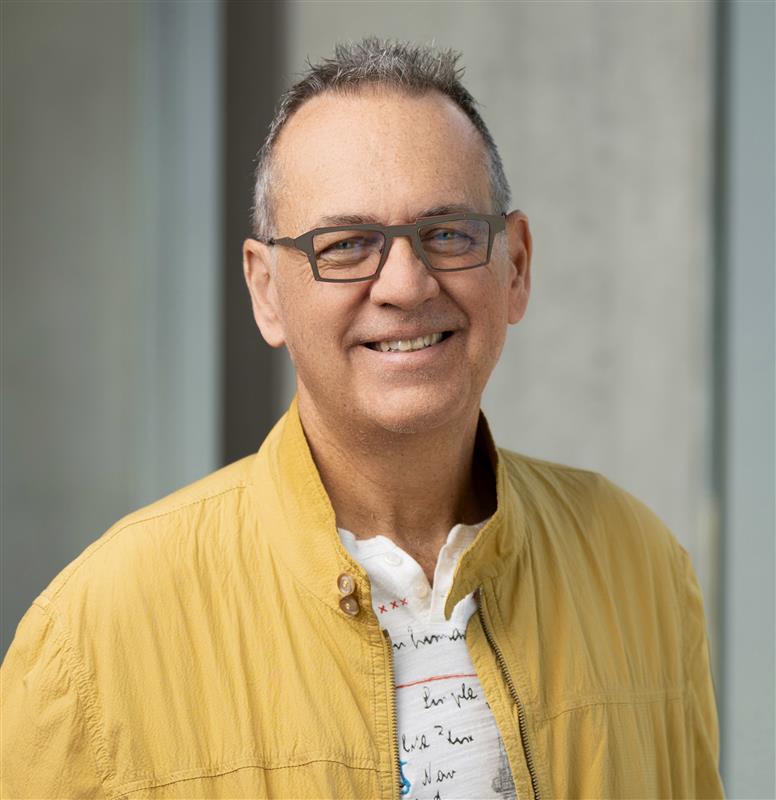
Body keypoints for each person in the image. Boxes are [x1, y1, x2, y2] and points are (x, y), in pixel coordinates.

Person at [1, 36, 724, 800]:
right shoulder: (91, 639)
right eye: (346, 245)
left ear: (515, 265)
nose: (406, 285)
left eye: (446, 233)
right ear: (266, 291)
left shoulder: (638, 567)